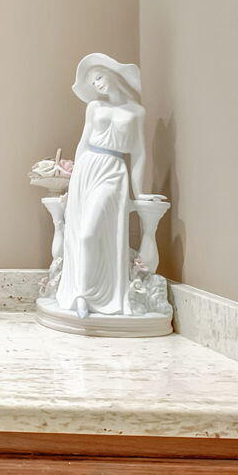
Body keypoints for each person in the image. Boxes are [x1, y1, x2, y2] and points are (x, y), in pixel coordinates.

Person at [54, 53, 153, 319]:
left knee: (90, 233)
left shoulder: (136, 111)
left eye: (99, 77)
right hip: (88, 167)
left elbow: (139, 154)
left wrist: (139, 192)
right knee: (82, 233)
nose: (98, 85)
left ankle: (93, 294)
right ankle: (81, 295)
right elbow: (83, 143)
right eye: (93, 83)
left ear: (112, 74)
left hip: (113, 171)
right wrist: (72, 184)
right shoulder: (95, 108)